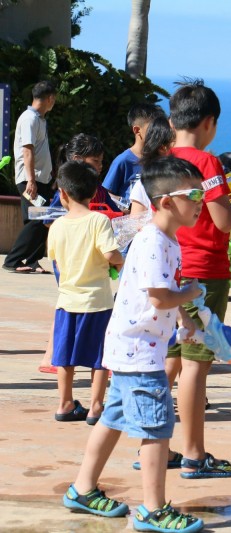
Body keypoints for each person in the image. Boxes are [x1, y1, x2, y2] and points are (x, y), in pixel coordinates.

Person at [62, 156, 205, 533]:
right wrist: (194, 291)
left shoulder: (167, 240)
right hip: (139, 352)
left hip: (132, 347)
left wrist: (187, 318)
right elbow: (160, 297)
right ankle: (154, 509)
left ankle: (82, 488)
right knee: (157, 427)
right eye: (194, 194)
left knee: (112, 419)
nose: (201, 201)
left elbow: (165, 295)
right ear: (166, 202)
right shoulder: (155, 242)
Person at [167, 79, 231, 479]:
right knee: (197, 364)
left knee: (169, 360)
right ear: (209, 123)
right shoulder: (206, 164)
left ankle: (155, 446)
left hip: (167, 271)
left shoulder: (161, 159)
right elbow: (223, 222)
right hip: (204, 273)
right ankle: (194, 454)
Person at [46, 161, 123, 423]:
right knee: (100, 357)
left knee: (64, 357)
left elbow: (55, 260)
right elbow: (111, 253)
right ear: (94, 193)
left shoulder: (56, 226)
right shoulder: (99, 220)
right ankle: (96, 407)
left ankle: (65, 403)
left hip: (66, 302)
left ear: (62, 193)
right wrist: (121, 262)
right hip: (97, 302)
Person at [3, 80, 57, 274]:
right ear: (50, 98)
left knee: (42, 220)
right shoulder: (29, 118)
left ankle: (33, 261)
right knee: (37, 220)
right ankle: (12, 260)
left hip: (40, 179)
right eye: (54, 99)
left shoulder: (40, 119)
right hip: (29, 180)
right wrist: (31, 180)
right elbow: (27, 150)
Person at [101, 103, 165, 210]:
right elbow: (105, 194)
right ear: (137, 130)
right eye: (153, 128)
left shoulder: (162, 158)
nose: (158, 132)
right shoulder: (123, 161)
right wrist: (128, 205)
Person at [129, 115, 177, 214]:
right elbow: (136, 223)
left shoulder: (185, 180)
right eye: (176, 142)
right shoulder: (142, 185)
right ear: (162, 148)